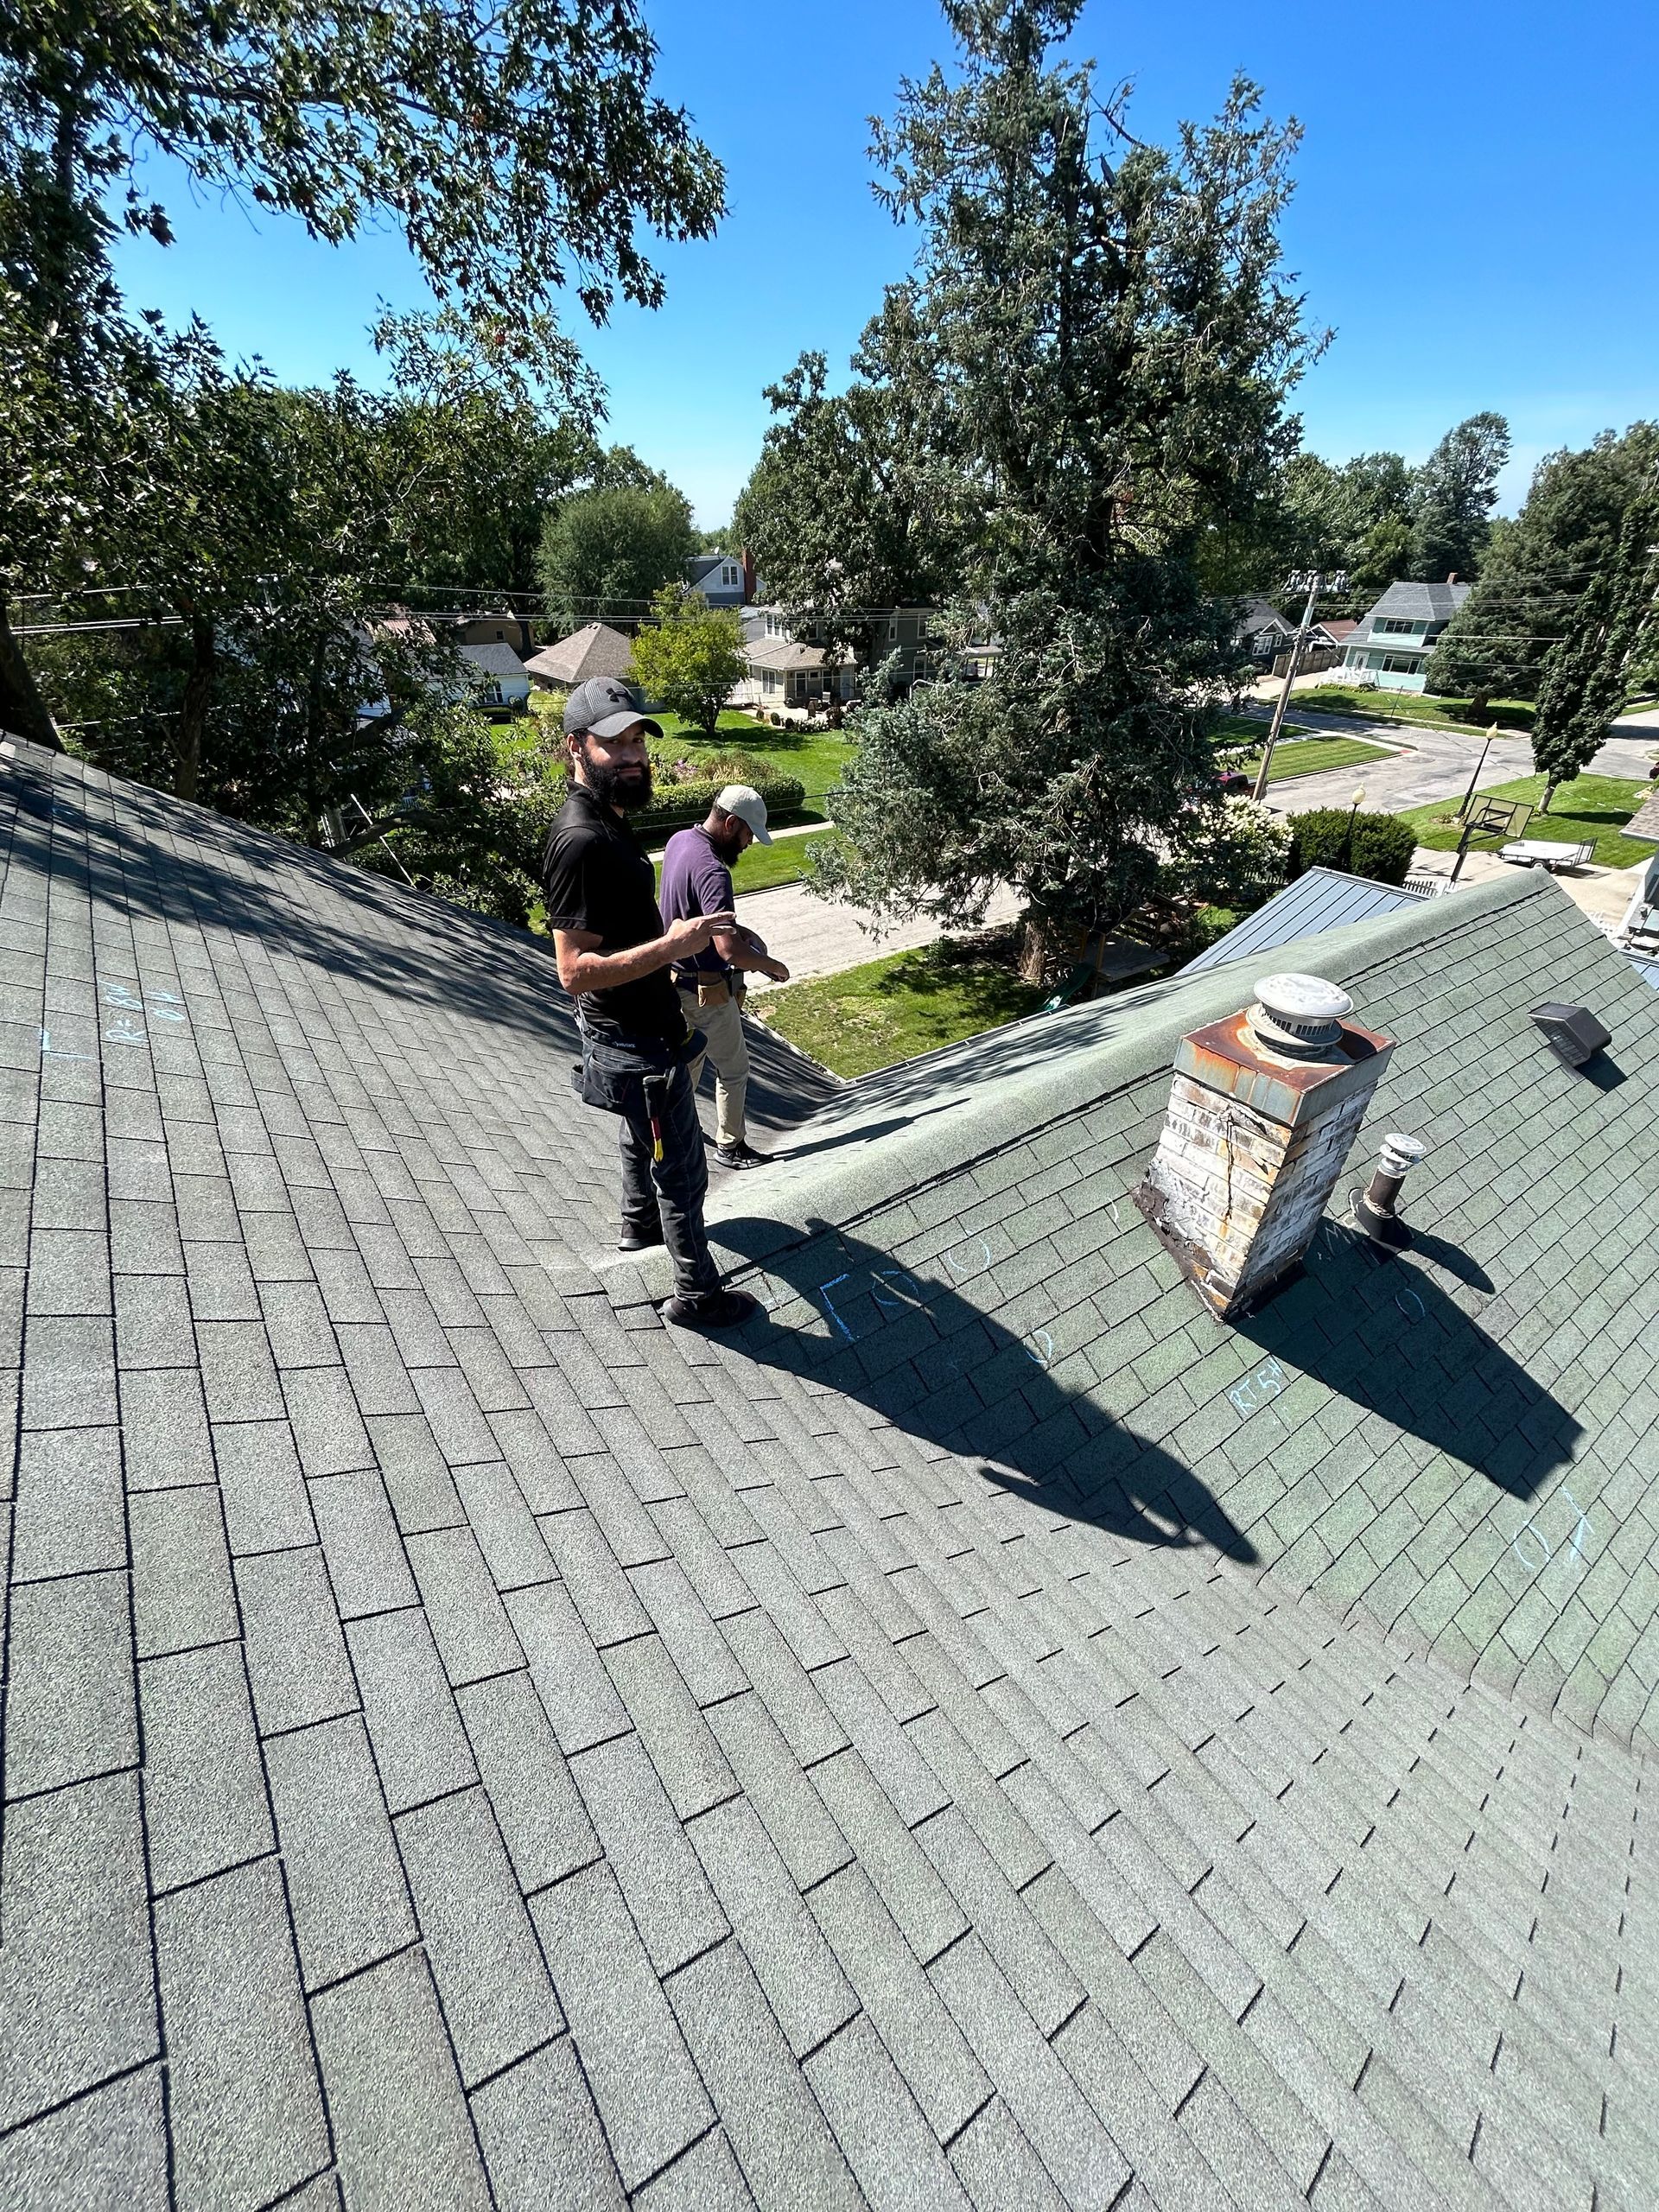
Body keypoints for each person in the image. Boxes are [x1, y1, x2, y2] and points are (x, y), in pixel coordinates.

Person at [540, 676, 755, 1331]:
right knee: (683, 1171)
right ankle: (696, 1295)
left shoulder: (607, 817)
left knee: (642, 1135)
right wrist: (670, 948)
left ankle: (637, 1226)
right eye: (615, 743)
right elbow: (573, 972)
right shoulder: (582, 840)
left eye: (638, 740)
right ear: (576, 746)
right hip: (633, 1037)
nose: (634, 755)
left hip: (634, 1028)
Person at [659, 785, 790, 1170]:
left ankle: (672, 1135)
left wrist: (739, 929)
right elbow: (728, 952)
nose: (749, 843)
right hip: (706, 993)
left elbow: (694, 913)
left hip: (673, 982)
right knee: (734, 1069)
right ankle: (731, 1147)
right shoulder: (715, 871)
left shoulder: (680, 841)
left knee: (687, 1068)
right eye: (749, 834)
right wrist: (772, 966)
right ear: (731, 823)